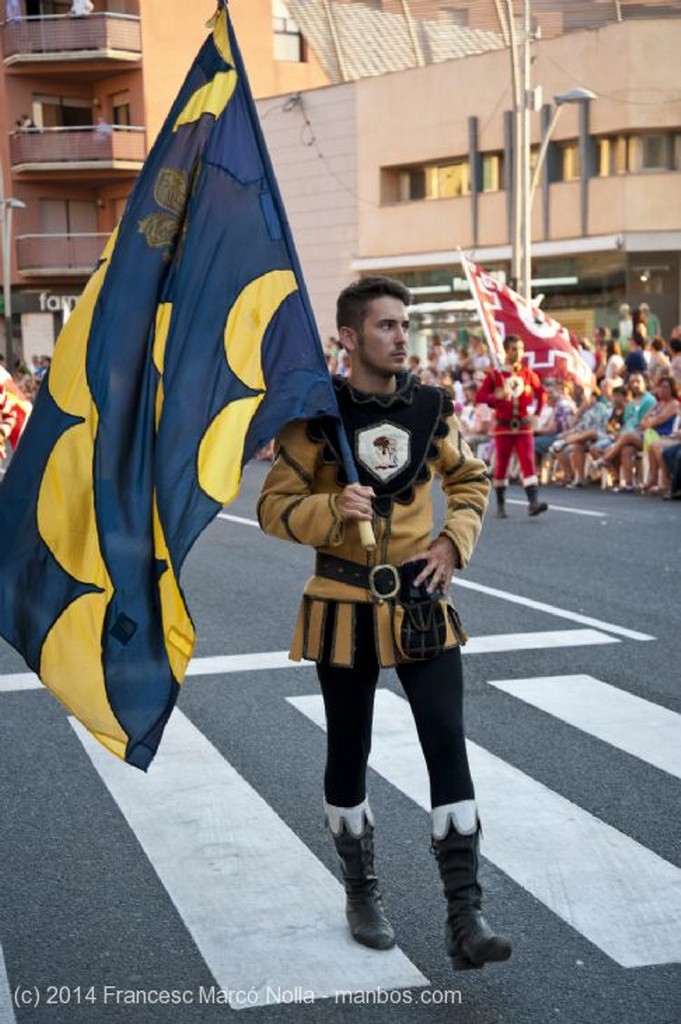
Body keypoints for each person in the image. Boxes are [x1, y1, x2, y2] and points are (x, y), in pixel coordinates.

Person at [258, 276, 511, 972]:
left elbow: (470, 480)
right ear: (348, 337)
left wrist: (449, 544)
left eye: (405, 325)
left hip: (421, 603)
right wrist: (329, 508)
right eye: (386, 326)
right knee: (348, 751)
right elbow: (273, 508)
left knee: (446, 745)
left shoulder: (431, 408)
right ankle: (361, 893)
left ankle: (465, 915)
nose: (402, 337)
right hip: (341, 609)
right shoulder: (314, 416)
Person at [475, 334, 548, 518]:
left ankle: (533, 503)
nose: (518, 352)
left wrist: (536, 415)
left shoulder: (528, 373)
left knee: (528, 462)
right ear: (506, 351)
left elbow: (542, 393)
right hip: (503, 428)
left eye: (521, 349)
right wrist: (495, 397)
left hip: (523, 427)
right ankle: (500, 505)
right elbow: (480, 397)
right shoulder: (495, 374)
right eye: (514, 349)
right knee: (502, 466)